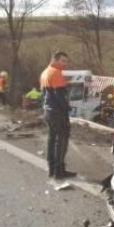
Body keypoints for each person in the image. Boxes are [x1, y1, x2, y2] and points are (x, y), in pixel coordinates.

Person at [40, 51, 75, 180]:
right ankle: (59, 171)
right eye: (63, 61)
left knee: (52, 139)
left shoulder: (45, 72)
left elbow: (44, 94)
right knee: (61, 141)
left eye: (66, 61)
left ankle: (52, 169)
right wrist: (67, 109)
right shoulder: (56, 72)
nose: (65, 64)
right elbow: (59, 95)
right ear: (55, 60)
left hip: (48, 111)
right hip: (57, 112)